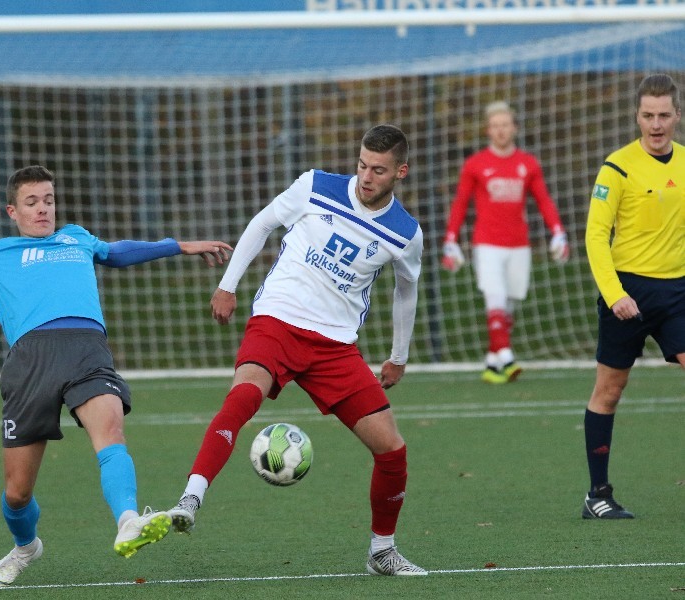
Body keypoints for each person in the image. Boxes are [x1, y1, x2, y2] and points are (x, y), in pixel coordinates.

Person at [0, 151, 232, 587]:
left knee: (110, 431)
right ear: (12, 211)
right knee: (17, 493)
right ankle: (25, 547)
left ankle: (128, 519)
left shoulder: (76, 238)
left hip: (86, 349)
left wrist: (179, 245)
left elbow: (118, 252)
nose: (43, 208)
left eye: (49, 199)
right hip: (30, 362)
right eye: (32, 201)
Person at [167, 125, 427, 576]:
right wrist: (228, 285)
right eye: (363, 164)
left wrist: (397, 356)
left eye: (379, 170)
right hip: (278, 320)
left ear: (400, 172)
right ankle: (191, 497)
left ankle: (382, 551)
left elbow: (407, 291)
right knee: (243, 396)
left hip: (335, 348)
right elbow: (262, 222)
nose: (366, 176)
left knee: (392, 451)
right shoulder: (316, 186)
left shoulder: (405, 233)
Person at [581, 73, 685, 520]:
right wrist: (614, 293)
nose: (656, 124)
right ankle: (597, 495)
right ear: (637, 116)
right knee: (610, 389)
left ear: (677, 116)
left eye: (664, 115)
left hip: (677, 291)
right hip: (626, 291)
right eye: (648, 115)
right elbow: (594, 235)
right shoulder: (616, 167)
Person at [441, 101, 569, 384]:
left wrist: (558, 231)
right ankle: (508, 357)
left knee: (508, 305)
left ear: (514, 127)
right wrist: (451, 240)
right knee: (494, 297)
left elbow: (544, 200)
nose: (500, 130)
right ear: (488, 130)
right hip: (486, 243)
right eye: (495, 126)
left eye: (505, 125)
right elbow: (460, 203)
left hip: (519, 244)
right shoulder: (475, 164)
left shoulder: (528, 164)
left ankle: (492, 360)